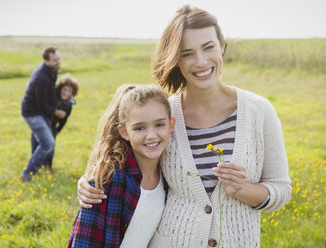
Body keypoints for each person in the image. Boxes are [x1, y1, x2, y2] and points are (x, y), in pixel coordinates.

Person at [76, 5, 292, 248]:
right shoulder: (162, 116)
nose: (200, 62)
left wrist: (243, 189)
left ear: (222, 47)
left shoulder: (259, 112)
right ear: (175, 59)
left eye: (208, 47)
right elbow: (126, 160)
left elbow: (281, 191)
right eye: (187, 53)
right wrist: (89, 182)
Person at [67, 85, 175, 248]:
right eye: (140, 128)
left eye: (159, 124)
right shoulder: (110, 178)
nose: (151, 135)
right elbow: (84, 241)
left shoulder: (169, 174)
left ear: (171, 124)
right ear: (124, 132)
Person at [20, 47, 66, 182]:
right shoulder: (42, 77)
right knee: (47, 142)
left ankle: (42, 167)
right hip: (32, 112)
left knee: (40, 140)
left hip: (40, 111)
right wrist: (56, 112)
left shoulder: (52, 71)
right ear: (46, 61)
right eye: (55, 60)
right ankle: (27, 174)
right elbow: (41, 103)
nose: (58, 62)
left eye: (59, 58)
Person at [31, 73, 79, 173]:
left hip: (52, 126)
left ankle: (48, 166)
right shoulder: (53, 94)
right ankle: (35, 167)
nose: (66, 92)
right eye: (64, 89)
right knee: (36, 145)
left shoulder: (68, 105)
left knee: (50, 147)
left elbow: (64, 119)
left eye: (69, 91)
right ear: (60, 87)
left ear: (72, 93)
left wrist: (58, 129)